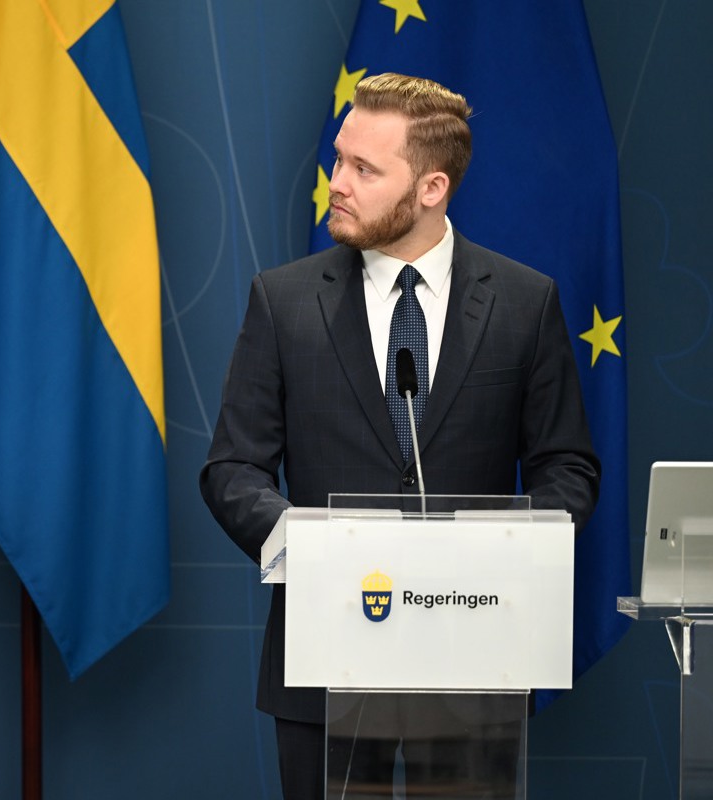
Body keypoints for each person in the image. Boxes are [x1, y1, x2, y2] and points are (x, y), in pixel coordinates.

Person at [198, 73, 600, 799]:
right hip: (326, 665)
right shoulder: (283, 302)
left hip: (474, 661)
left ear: (431, 188)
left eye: (363, 169)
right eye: (339, 159)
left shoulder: (523, 303)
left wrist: (504, 559)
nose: (336, 184)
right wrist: (312, 551)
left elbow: (567, 468)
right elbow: (232, 469)